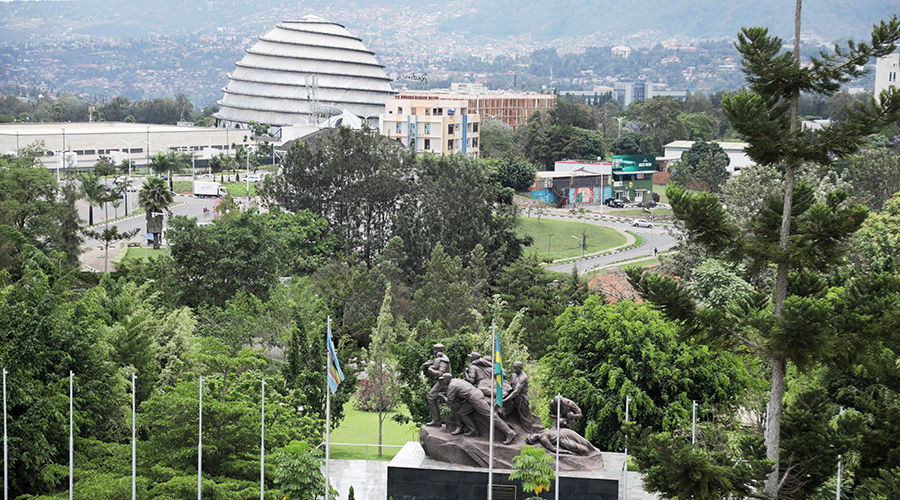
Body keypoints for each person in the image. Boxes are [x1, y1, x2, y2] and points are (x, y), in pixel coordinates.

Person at [436, 374, 517, 445]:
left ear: (446, 380)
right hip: (472, 397)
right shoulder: (456, 380)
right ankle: (474, 431)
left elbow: (450, 401)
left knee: (490, 415)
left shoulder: (452, 386)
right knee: (462, 413)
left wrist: (442, 396)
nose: (442, 382)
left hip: (475, 398)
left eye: (442, 380)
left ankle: (509, 432)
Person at [503, 361, 539, 432]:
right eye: (514, 368)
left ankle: (530, 433)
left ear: (521, 368)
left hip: (521, 400)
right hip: (513, 399)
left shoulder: (523, 377)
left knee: (525, 418)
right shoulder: (514, 375)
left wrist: (505, 400)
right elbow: (511, 387)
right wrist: (505, 395)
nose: (515, 370)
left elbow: (516, 391)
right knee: (503, 412)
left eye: (516, 368)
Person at [423, 344, 452, 427]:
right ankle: (436, 420)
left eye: (435, 350)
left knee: (430, 396)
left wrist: (430, 369)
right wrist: (431, 364)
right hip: (442, 382)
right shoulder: (440, 358)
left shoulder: (444, 360)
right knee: (431, 396)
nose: (433, 351)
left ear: (438, 350)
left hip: (445, 382)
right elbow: (437, 367)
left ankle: (436, 421)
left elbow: (440, 373)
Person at [525, 427, 594, 456]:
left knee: (585, 442)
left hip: (564, 431)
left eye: (531, 436)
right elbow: (553, 449)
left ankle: (594, 452)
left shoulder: (541, 431)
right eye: (531, 439)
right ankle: (588, 457)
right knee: (580, 448)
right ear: (533, 441)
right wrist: (568, 452)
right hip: (562, 440)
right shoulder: (542, 438)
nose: (532, 437)